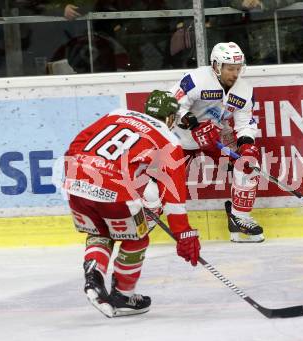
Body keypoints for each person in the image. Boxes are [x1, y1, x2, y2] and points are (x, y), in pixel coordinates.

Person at [64, 90, 201, 317]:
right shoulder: (169, 140)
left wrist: (77, 175)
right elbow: (174, 196)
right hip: (113, 193)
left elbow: (77, 142)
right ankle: (123, 295)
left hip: (76, 182)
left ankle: (94, 276)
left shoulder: (116, 114)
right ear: (170, 118)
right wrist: (183, 233)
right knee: (137, 237)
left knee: (100, 232)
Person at [168, 41, 264, 243]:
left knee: (247, 163)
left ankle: (240, 218)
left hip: (215, 136)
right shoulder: (196, 79)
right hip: (181, 137)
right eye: (230, 69)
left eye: (238, 69)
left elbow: (245, 121)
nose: (235, 74)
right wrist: (190, 121)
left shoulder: (244, 90)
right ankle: (144, 217)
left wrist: (246, 144)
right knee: (165, 180)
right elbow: (172, 102)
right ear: (216, 66)